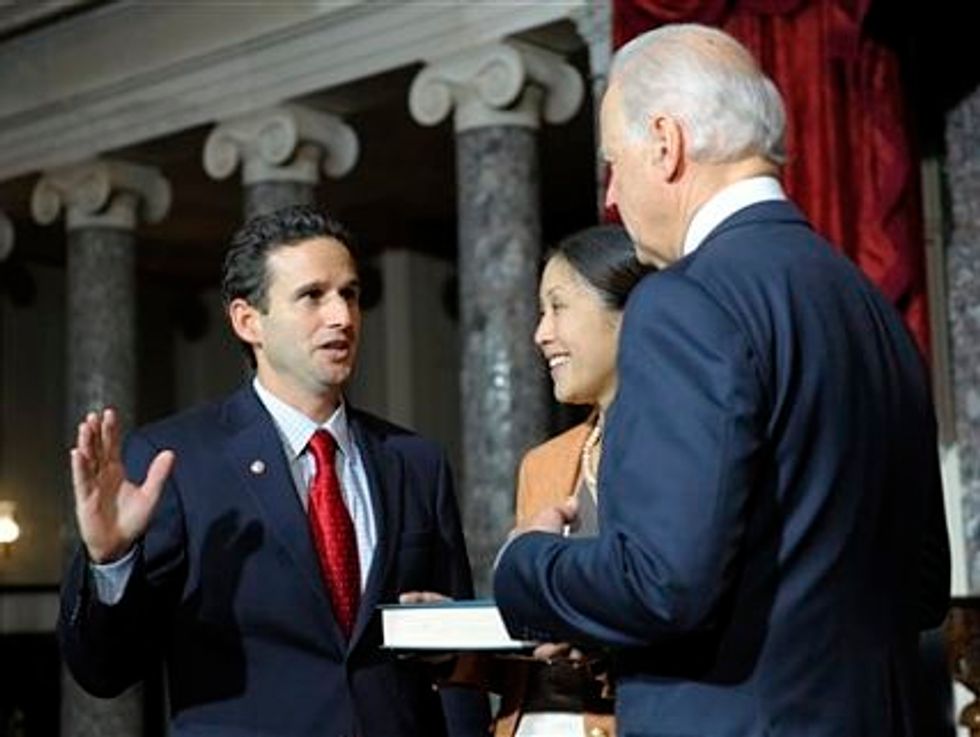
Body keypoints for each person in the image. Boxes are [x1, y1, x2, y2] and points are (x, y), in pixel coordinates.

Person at [493, 23, 950, 737]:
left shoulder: (683, 301)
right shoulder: (872, 307)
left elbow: (661, 583)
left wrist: (527, 562)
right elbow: (923, 587)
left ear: (666, 144)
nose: (612, 197)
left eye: (616, 162)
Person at [59, 205, 488, 737]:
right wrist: (110, 561)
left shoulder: (415, 462)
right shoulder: (178, 460)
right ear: (247, 321)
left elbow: (460, 663)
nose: (342, 317)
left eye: (350, 294)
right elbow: (104, 672)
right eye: (313, 296)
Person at [457, 225, 650, 737]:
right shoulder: (542, 464)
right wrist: (451, 644)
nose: (541, 333)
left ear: (628, 315)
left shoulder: (681, 455)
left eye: (558, 307)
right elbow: (533, 651)